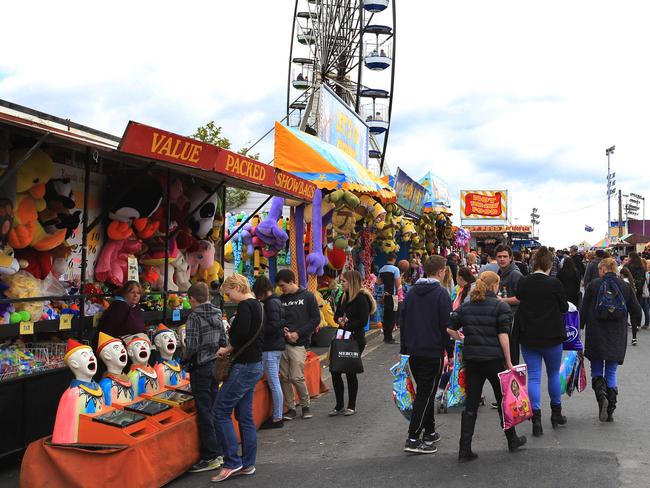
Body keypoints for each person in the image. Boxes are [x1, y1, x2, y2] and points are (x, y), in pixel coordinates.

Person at [447, 271, 526, 461]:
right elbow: (503, 335)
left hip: (473, 360)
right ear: (494, 286)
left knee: (471, 403)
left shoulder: (467, 306)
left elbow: (450, 327)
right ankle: (512, 439)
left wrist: (462, 340)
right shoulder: (501, 306)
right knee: (502, 400)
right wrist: (509, 361)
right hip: (495, 359)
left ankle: (464, 448)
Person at [211, 274, 264, 482]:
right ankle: (248, 462)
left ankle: (232, 462)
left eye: (229, 292)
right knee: (245, 415)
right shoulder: (259, 305)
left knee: (220, 412)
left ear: (236, 287)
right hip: (255, 364)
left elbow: (238, 335)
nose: (228, 297)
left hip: (243, 366)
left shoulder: (244, 307)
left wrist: (227, 346)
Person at [399, 255, 452, 454]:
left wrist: (403, 350)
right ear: (440, 271)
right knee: (425, 394)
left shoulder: (411, 293)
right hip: (432, 350)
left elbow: (403, 323)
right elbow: (445, 326)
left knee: (425, 391)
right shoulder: (441, 294)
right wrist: (450, 351)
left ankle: (429, 431)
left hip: (413, 350)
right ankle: (413, 437)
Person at [515, 246, 569, 437]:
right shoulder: (555, 284)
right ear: (549, 264)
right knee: (553, 374)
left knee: (535, 377)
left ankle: (536, 420)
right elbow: (563, 308)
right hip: (552, 335)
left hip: (529, 336)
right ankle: (556, 414)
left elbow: (520, 299)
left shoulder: (523, 282)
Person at [580, 258, 641, 422]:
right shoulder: (625, 286)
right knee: (612, 372)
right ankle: (611, 410)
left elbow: (583, 309)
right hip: (617, 335)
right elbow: (636, 310)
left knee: (597, 368)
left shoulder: (593, 285)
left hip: (596, 334)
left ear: (603, 269)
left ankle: (602, 399)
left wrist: (579, 329)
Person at [184, 282, 227, 473]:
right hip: (215, 365)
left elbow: (192, 346)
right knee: (215, 407)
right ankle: (222, 449)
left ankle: (211, 455)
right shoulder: (217, 312)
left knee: (204, 410)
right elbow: (223, 341)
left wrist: (183, 358)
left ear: (192, 299)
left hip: (200, 367)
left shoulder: (194, 317)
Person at [330, 270, 376, 416]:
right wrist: (339, 320)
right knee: (335, 369)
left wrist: (348, 323)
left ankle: (351, 405)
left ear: (352, 282)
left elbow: (362, 321)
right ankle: (339, 405)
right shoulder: (343, 296)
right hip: (341, 336)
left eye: (344, 281)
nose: (341, 283)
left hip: (355, 338)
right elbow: (336, 314)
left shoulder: (362, 298)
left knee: (350, 370)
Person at [276, 269, 320, 420]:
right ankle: (291, 408)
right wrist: (284, 329)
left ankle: (305, 405)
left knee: (296, 377)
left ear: (290, 281)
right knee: (284, 378)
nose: (281, 289)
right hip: (282, 343)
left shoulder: (307, 296)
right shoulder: (281, 299)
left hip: (299, 343)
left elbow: (315, 319)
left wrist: (298, 333)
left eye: (283, 285)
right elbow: (279, 320)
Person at [252, 276, 285, 429]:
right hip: (276, 347)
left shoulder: (270, 304)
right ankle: (277, 415)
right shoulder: (276, 301)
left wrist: (259, 332)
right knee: (274, 382)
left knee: (274, 383)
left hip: (270, 348)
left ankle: (278, 417)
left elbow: (274, 325)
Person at [378, 253, 401, 344]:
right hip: (393, 295)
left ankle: (386, 336)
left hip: (385, 295)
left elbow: (379, 282)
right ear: (394, 259)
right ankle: (389, 337)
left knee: (386, 316)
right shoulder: (395, 269)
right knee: (392, 315)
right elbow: (398, 284)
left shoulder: (381, 269)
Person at [623, 252, 647, 345]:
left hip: (627, 292)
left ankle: (623, 334)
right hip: (637, 293)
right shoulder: (641, 267)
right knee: (634, 313)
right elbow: (643, 280)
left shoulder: (627, 266)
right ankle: (634, 337)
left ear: (630, 257)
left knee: (625, 313)